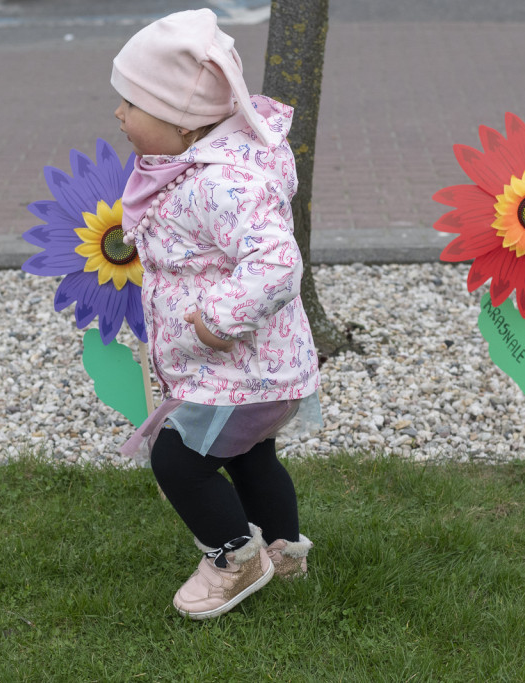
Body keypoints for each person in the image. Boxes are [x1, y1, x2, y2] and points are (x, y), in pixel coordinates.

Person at [113, 8, 322, 620]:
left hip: (236, 367)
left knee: (178, 459)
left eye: (131, 103)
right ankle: (283, 551)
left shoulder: (220, 183)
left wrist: (221, 316)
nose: (119, 115)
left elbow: (278, 262)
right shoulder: (196, 172)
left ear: (182, 123)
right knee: (251, 456)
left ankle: (233, 557)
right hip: (262, 372)